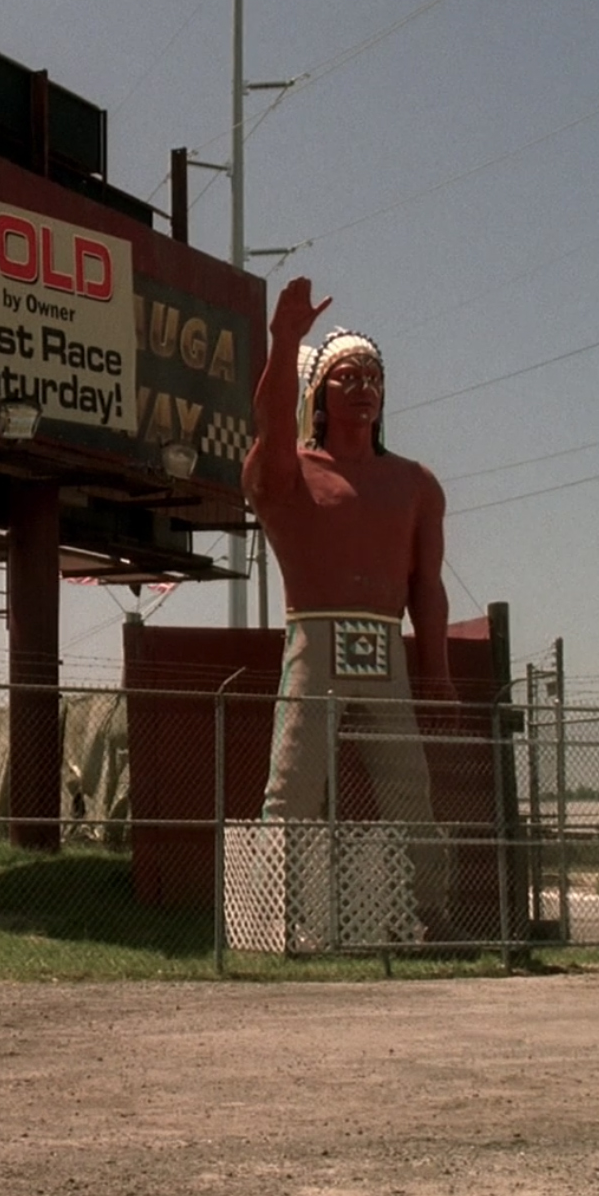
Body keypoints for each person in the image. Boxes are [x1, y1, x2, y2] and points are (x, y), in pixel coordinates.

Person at [242, 276, 454, 939]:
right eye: (347, 376)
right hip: (313, 639)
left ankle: (429, 916)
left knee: (409, 789)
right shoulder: (289, 473)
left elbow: (426, 585)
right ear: (319, 395)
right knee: (292, 786)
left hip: (384, 642)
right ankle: (277, 920)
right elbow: (271, 427)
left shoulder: (415, 483)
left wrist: (437, 672)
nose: (363, 387)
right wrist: (284, 340)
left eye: (373, 377)